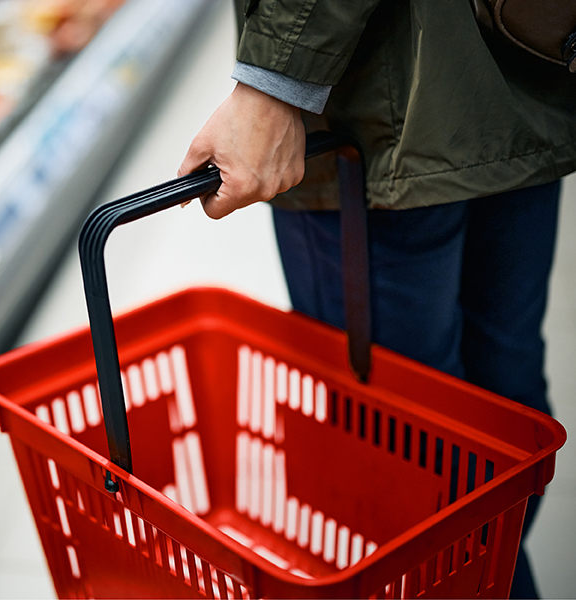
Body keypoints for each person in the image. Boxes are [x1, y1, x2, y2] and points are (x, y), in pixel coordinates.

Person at [178, 1, 576, 598]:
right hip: (518, 77)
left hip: (380, 118)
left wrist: (274, 81)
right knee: (502, 396)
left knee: (404, 452)